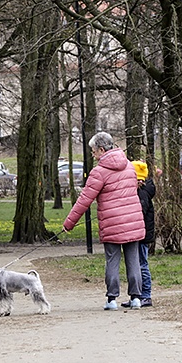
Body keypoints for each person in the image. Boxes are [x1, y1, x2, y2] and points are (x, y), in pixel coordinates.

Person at [62, 132, 146, 310]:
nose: (93, 155)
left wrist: (69, 223)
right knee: (133, 261)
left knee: (112, 262)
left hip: (112, 224)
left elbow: (84, 199)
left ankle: (112, 299)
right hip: (133, 221)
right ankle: (136, 297)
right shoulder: (130, 167)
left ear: (101, 150)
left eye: (93, 151)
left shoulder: (99, 172)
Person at [124, 160, 155, 308]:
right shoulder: (141, 192)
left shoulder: (142, 194)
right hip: (138, 233)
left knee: (142, 264)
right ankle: (136, 295)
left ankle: (146, 295)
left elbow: (139, 213)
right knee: (135, 265)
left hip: (142, 235)